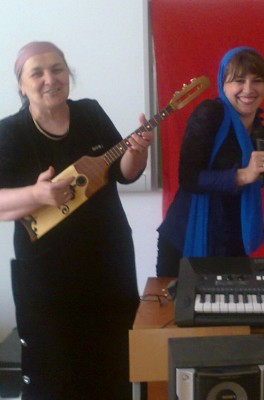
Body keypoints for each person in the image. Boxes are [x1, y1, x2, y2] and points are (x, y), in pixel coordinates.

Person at [0, 41, 152, 399]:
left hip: (108, 263)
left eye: (57, 69)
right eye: (37, 73)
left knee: (113, 361)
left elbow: (125, 172)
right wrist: (37, 195)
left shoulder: (90, 113)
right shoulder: (11, 133)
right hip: (47, 275)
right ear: (21, 84)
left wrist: (139, 151)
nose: (50, 79)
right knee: (56, 372)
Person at [156, 47, 264, 277]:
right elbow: (189, 178)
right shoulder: (210, 115)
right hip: (185, 240)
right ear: (223, 85)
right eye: (239, 81)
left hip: (234, 246)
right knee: (177, 302)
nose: (248, 89)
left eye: (257, 81)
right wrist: (243, 175)